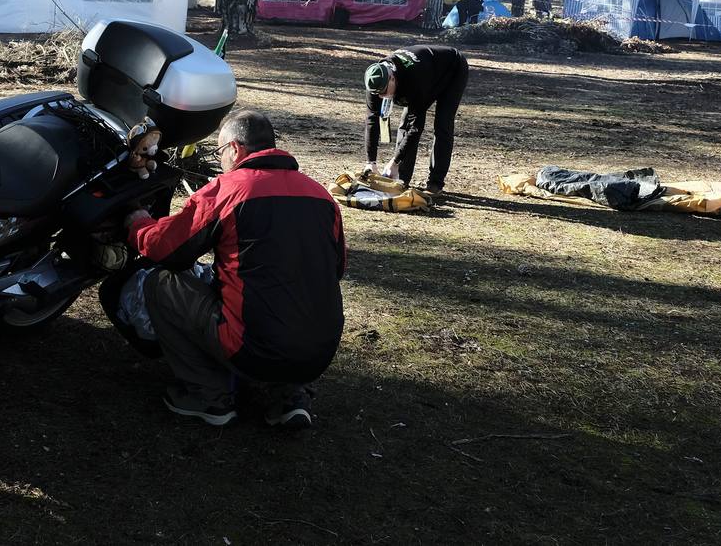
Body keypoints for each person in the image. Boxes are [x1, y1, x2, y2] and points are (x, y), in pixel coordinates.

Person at [121, 109, 346, 429]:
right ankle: (289, 395)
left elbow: (168, 250)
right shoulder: (321, 196)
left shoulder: (230, 189)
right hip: (319, 353)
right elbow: (335, 270)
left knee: (162, 284)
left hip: (252, 348)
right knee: (288, 293)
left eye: (219, 151)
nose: (220, 160)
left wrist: (138, 225)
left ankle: (208, 395)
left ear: (235, 150)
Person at [363, 46, 470, 195]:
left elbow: (416, 127)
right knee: (404, 124)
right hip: (427, 72)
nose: (382, 97)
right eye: (378, 94)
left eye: (385, 92)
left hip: (452, 69)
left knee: (442, 124)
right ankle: (402, 179)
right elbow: (372, 120)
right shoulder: (376, 80)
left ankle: (435, 183)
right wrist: (371, 162)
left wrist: (395, 161)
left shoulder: (415, 79)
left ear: (392, 78)